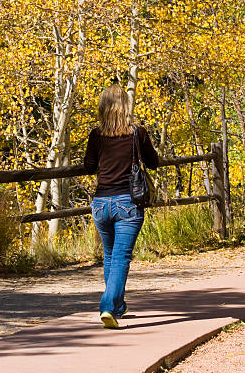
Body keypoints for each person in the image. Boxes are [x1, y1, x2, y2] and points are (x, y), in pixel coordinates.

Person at [84, 84, 159, 329]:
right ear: (126, 106)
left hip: (101, 204)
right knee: (121, 257)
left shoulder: (96, 135)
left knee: (110, 256)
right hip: (127, 203)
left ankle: (117, 306)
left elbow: (88, 167)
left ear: (103, 107)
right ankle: (107, 306)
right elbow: (154, 162)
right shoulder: (138, 133)